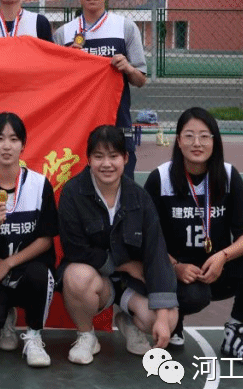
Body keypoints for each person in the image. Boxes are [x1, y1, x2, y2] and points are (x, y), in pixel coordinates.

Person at [144, 107, 243, 362]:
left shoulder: (227, 176)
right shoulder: (161, 178)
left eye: (204, 136)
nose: (197, 143)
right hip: (176, 274)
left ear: (215, 141)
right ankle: (175, 320)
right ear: (178, 140)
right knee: (194, 296)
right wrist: (175, 267)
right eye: (189, 136)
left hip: (215, 268)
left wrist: (223, 256)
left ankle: (237, 334)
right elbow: (146, 240)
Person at [58, 125, 177, 365]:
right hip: (96, 280)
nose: (106, 164)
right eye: (99, 156)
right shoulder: (72, 192)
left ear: (125, 158)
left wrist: (163, 318)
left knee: (168, 318)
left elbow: (156, 253)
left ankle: (129, 322)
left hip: (130, 285)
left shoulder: (139, 198)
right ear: (88, 159)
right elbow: (75, 249)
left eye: (113, 156)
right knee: (76, 276)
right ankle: (86, 335)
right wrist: (123, 265)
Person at [0, 113, 58, 368]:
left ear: (23, 144)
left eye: (13, 139)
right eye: (0, 139)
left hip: (27, 270)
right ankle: (5, 319)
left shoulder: (39, 185)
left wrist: (9, 263)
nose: (6, 146)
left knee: (40, 274)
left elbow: (46, 239)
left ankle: (34, 335)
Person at [54, 0, 147, 177]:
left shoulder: (125, 27)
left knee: (122, 186)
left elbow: (141, 80)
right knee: (76, 187)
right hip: (76, 126)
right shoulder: (63, 34)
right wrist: (68, 63)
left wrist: (127, 68)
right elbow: (56, 86)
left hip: (117, 122)